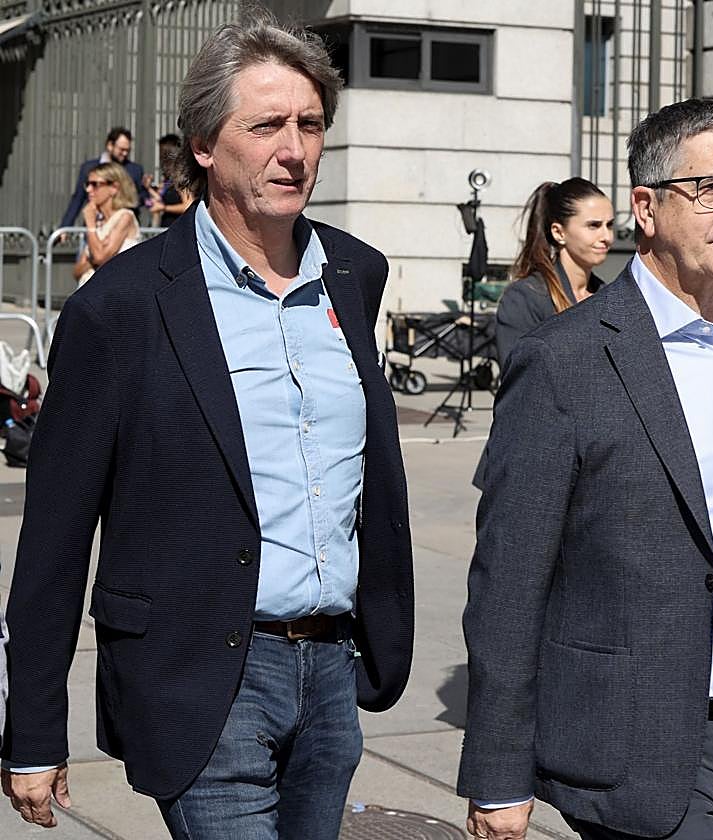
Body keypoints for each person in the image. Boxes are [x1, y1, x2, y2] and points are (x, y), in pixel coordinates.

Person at [1, 14, 414, 839]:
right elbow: (54, 535)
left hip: (332, 671)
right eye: (264, 126)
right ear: (202, 145)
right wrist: (32, 733)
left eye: (308, 124)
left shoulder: (354, 274)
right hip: (202, 675)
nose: (292, 148)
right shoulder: (120, 308)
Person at [458, 98, 713, 840]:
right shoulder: (567, 359)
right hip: (636, 742)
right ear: (646, 208)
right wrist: (498, 773)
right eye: (712, 188)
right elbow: (509, 579)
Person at [494, 178, 613, 366]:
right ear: (559, 233)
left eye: (609, 225)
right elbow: (519, 383)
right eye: (593, 225)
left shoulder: (608, 296)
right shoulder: (526, 297)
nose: (606, 237)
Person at [59, 127, 149, 229]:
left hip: (123, 227)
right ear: (110, 145)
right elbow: (78, 198)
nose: (125, 153)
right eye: (121, 149)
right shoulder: (90, 168)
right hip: (95, 225)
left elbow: (141, 197)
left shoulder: (134, 170)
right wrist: (65, 226)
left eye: (127, 150)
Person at [71, 162, 141, 284]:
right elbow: (77, 271)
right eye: (87, 184)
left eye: (95, 185)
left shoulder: (125, 217)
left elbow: (100, 257)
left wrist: (90, 224)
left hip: (113, 295)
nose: (88, 190)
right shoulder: (99, 222)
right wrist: (96, 255)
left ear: (114, 188)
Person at [148, 133, 194, 227]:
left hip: (177, 227)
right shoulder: (168, 178)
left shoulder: (180, 176)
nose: (160, 159)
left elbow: (188, 205)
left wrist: (164, 208)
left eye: (162, 154)